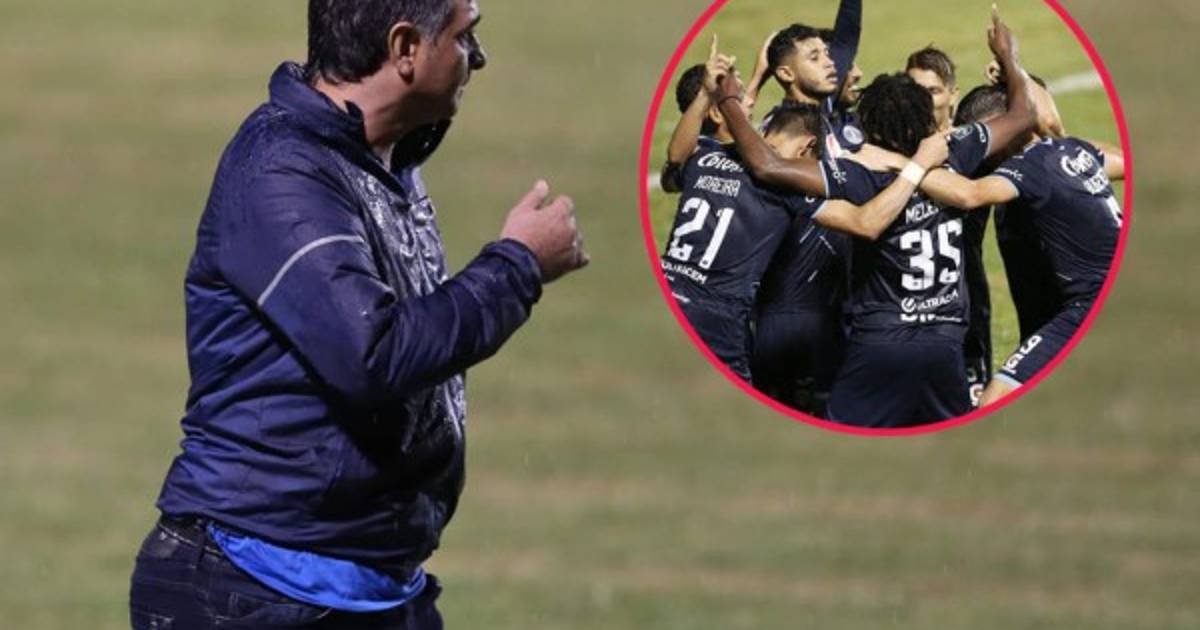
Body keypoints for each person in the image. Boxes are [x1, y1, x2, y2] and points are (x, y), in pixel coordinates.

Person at [129, 1, 587, 628]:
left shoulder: (378, 158)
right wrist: (518, 265)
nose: (478, 58)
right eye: (464, 37)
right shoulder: (281, 171)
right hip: (253, 590)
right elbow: (375, 356)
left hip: (364, 585)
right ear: (405, 49)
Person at [722, 7, 1037, 427]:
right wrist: (1008, 55)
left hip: (879, 343)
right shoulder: (955, 153)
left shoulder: (861, 175)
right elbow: (1023, 115)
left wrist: (728, 99)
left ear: (871, 127)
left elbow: (768, 166)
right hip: (945, 344)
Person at [663, 60, 944, 382]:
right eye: (742, 99)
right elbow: (865, 223)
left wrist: (708, 93)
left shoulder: (703, 155)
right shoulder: (781, 183)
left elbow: (673, 162)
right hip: (717, 312)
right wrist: (915, 168)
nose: (751, 101)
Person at [918, 88, 1124, 408]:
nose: (980, 153)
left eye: (985, 141)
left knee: (993, 401)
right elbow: (1120, 161)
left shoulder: (1029, 167)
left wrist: (904, 166)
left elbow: (970, 194)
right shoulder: (1069, 150)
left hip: (1086, 307)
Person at [905, 44, 992, 406]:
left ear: (953, 94)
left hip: (964, 296)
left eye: (934, 91)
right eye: (916, 91)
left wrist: (1008, 77)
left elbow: (1026, 118)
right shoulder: (892, 143)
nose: (925, 102)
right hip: (900, 302)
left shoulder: (974, 145)